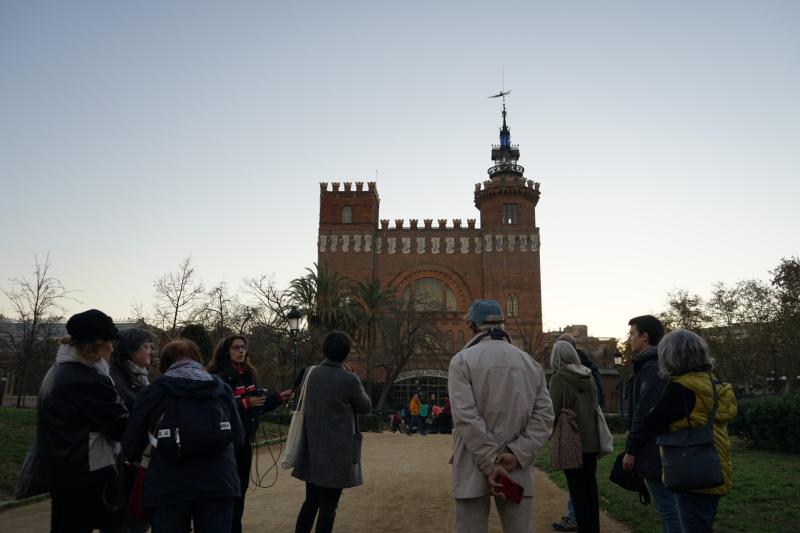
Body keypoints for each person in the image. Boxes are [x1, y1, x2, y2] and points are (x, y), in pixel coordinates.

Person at [449, 299, 554, 533]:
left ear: (471, 326)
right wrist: (517, 454)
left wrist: (490, 461)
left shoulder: (462, 361)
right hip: (515, 467)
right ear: (503, 325)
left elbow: (465, 417)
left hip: (473, 463)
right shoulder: (530, 363)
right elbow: (545, 417)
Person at [122, 339, 244, 533]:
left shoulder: (153, 392)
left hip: (168, 486)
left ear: (165, 364)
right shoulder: (221, 389)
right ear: (198, 359)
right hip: (219, 482)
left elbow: (131, 445)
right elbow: (238, 437)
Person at [37, 309, 129, 533]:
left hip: (63, 470)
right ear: (96, 345)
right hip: (86, 473)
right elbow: (120, 425)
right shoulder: (88, 379)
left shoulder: (58, 370)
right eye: (110, 342)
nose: (112, 348)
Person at [644, 329, 737, 533]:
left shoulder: (682, 388)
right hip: (714, 464)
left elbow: (651, 423)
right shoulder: (712, 382)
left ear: (671, 356)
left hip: (691, 468)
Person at [208, 334, 292, 533]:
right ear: (226, 352)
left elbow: (257, 408)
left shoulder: (249, 375)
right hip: (226, 445)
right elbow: (215, 408)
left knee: (241, 489)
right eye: (236, 347)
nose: (241, 351)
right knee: (227, 491)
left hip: (245, 442)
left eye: (243, 347)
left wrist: (278, 398)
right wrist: (245, 403)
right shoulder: (218, 377)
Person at [292, 331, 371, 533]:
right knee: (328, 508)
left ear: (324, 350)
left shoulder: (311, 373)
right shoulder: (348, 380)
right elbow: (365, 407)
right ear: (346, 353)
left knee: (310, 502)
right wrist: (354, 377)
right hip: (337, 453)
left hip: (312, 448)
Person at [623, 315, 680, 532]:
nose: (630, 339)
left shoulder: (651, 367)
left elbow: (645, 413)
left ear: (644, 336)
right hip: (661, 448)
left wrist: (631, 449)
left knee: (669, 510)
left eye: (632, 334)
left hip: (655, 450)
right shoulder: (659, 364)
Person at [551, 333, 604, 532]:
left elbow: (553, 411)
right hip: (591, 441)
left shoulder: (559, 378)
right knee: (590, 490)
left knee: (577, 490)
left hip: (571, 441)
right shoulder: (587, 374)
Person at [108, 327, 157, 533]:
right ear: (130, 350)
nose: (151, 351)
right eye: (146, 346)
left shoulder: (138, 377)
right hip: (122, 463)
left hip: (135, 461)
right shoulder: (116, 378)